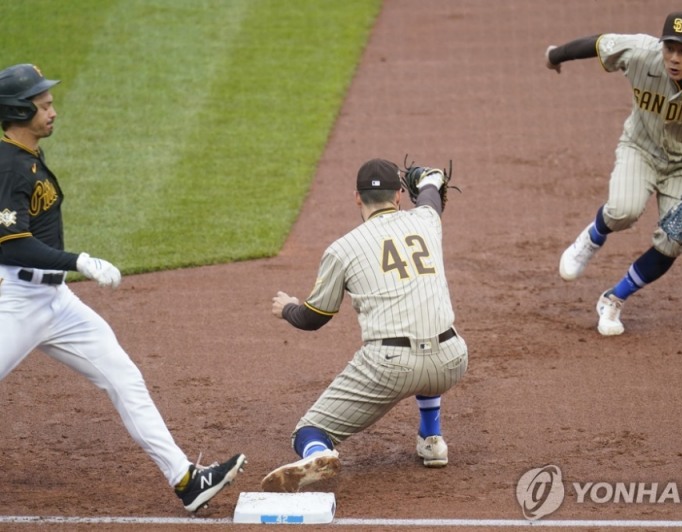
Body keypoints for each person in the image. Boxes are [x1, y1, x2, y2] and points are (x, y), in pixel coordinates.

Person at [0, 63, 245, 512]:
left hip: (55, 300)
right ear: (18, 109)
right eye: (44, 104)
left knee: (124, 377)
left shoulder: (26, 153)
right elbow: (11, 246)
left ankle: (186, 480)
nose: (53, 110)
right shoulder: (6, 165)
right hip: (14, 300)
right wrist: (79, 260)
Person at [262, 158, 468, 492]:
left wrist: (287, 308)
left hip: (391, 367)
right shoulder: (427, 220)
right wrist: (429, 179)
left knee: (308, 430)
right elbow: (431, 188)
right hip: (452, 359)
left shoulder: (342, 249)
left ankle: (317, 453)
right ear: (400, 195)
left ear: (357, 198)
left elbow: (313, 318)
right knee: (426, 336)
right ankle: (432, 439)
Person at [543, 10, 682, 335]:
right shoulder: (642, 53)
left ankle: (614, 299)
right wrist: (555, 55)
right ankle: (592, 239)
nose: (674, 58)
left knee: (674, 240)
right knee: (623, 210)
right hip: (641, 148)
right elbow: (599, 44)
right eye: (670, 48)